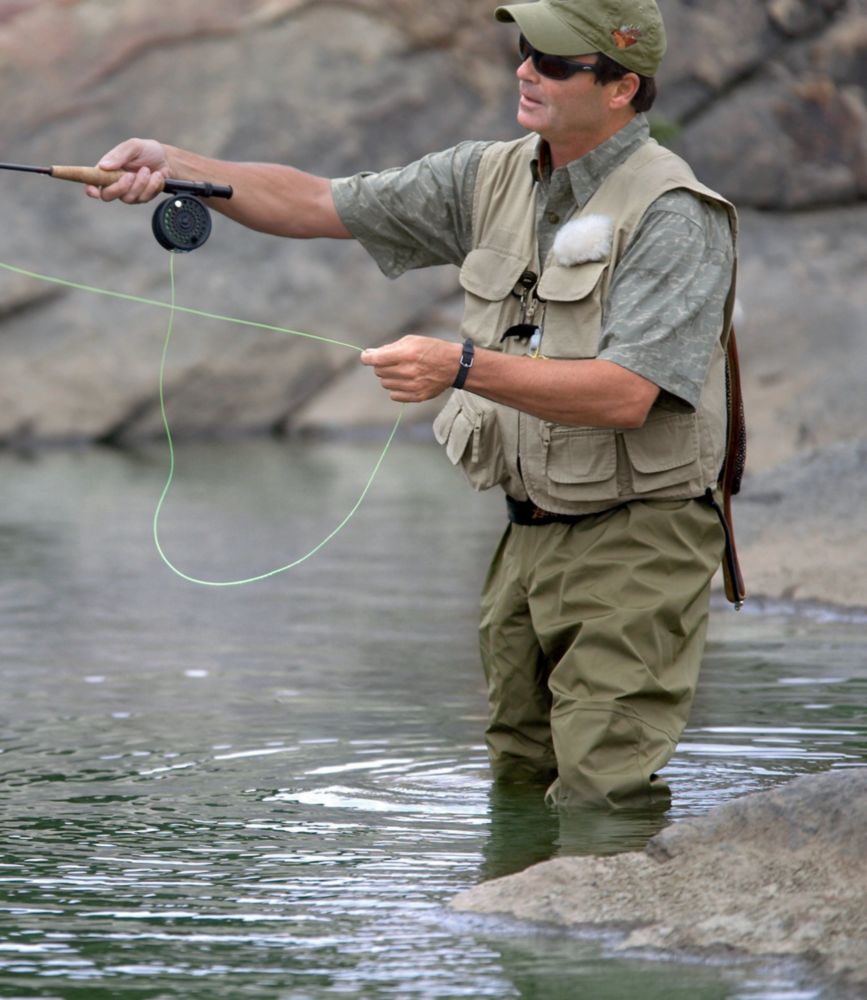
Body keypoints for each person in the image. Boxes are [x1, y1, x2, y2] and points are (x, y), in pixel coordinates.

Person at [89, 0, 738, 811]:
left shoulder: (675, 216)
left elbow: (626, 394)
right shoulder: (488, 174)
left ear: (620, 88)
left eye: (555, 62)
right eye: (524, 49)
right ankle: (528, 937)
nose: (525, 70)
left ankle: (617, 932)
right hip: (528, 533)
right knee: (517, 775)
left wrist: (459, 365)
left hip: (639, 536)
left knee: (601, 791)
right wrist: (172, 162)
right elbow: (318, 203)